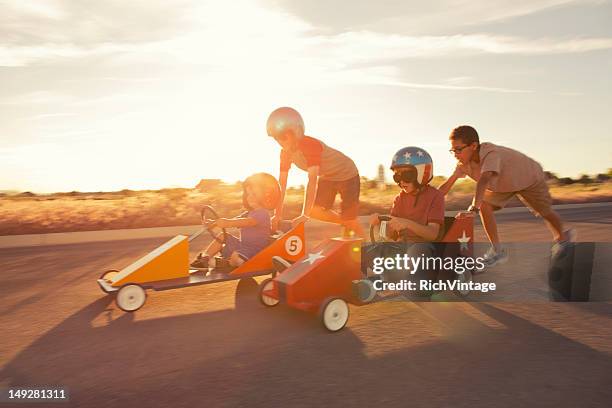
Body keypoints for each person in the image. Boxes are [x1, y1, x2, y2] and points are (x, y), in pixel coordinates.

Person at [438, 125, 574, 266]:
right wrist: (430, 199)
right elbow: (448, 184)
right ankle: (497, 251)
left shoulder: (491, 154)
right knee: (484, 204)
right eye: (453, 150)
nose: (455, 154)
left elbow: (484, 180)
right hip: (501, 185)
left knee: (544, 212)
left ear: (473, 146)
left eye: (458, 149)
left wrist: (473, 208)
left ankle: (563, 238)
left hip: (529, 178)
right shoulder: (463, 164)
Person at [266, 106, 365, 238]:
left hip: (347, 173)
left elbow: (312, 181)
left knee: (349, 220)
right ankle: (346, 222)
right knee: (315, 211)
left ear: (296, 131)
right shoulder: (285, 153)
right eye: (276, 138)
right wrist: (277, 215)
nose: (280, 142)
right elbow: (282, 184)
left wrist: (304, 215)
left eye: (283, 136)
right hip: (328, 176)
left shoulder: (309, 145)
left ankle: (369, 247)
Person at [366, 147, 445, 285]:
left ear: (422, 174)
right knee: (366, 252)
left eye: (407, 176)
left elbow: (433, 234)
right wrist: (379, 223)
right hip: (401, 245)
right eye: (397, 177)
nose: (401, 182)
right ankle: (366, 283)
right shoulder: (399, 198)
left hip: (424, 247)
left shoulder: (436, 196)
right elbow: (391, 235)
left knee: (415, 252)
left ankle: (392, 279)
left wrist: (407, 223)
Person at [190, 173, 280, 269]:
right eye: (248, 194)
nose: (249, 197)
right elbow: (236, 220)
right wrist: (213, 223)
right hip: (243, 245)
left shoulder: (263, 213)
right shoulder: (249, 212)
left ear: (265, 197)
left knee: (236, 257)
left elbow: (248, 222)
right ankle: (205, 258)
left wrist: (228, 223)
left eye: (254, 194)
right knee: (222, 236)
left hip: (254, 250)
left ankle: (227, 263)